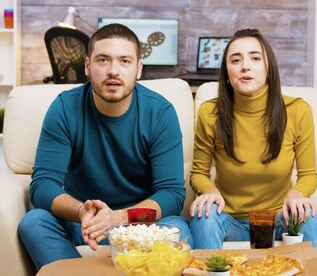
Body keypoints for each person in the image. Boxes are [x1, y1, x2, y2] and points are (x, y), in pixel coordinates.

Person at [18, 23, 192, 271]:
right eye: (103, 60)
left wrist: (120, 217)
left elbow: (172, 194)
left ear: (138, 69)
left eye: (124, 61)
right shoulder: (65, 108)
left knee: (180, 229)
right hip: (84, 222)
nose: (113, 71)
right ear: (88, 67)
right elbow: (43, 184)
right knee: (33, 222)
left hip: (139, 225)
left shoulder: (160, 112)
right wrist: (80, 211)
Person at [188, 28, 317, 266]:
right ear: (227, 72)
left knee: (309, 217)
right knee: (204, 215)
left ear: (269, 68)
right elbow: (199, 173)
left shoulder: (297, 111)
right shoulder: (210, 113)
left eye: (255, 58)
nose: (245, 66)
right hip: (228, 219)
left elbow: (308, 175)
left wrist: (296, 193)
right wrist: (209, 191)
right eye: (235, 60)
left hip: (277, 220)